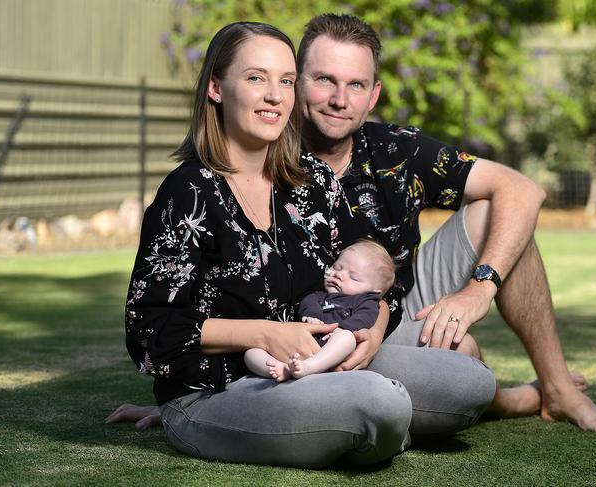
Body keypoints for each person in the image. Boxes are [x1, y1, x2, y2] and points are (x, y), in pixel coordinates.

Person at [111, 21, 497, 468]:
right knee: (378, 402)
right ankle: (363, 425)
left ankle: (351, 425)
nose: (275, 95)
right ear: (216, 87)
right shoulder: (188, 193)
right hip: (219, 389)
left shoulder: (311, 180)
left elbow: (375, 274)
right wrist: (267, 333)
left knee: (470, 384)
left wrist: (370, 331)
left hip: (320, 359)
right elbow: (149, 331)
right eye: (256, 78)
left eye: (287, 81)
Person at [295, 13, 596, 432]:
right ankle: (506, 400)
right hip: (308, 331)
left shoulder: (396, 150)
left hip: (394, 316)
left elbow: (523, 189)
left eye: (356, 84)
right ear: (296, 81)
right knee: (461, 357)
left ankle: (559, 389)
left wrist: (478, 289)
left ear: (373, 94)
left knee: (498, 212)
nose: (340, 99)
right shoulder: (266, 154)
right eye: (324, 79)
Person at [245, 239, 395, 381]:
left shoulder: (365, 301)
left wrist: (344, 328)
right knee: (251, 353)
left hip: (330, 345)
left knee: (347, 338)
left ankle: (308, 368)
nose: (339, 275)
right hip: (295, 345)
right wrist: (312, 316)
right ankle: (282, 369)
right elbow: (308, 303)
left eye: (353, 277)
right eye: (337, 267)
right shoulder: (319, 296)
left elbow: (365, 317)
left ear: (374, 291)